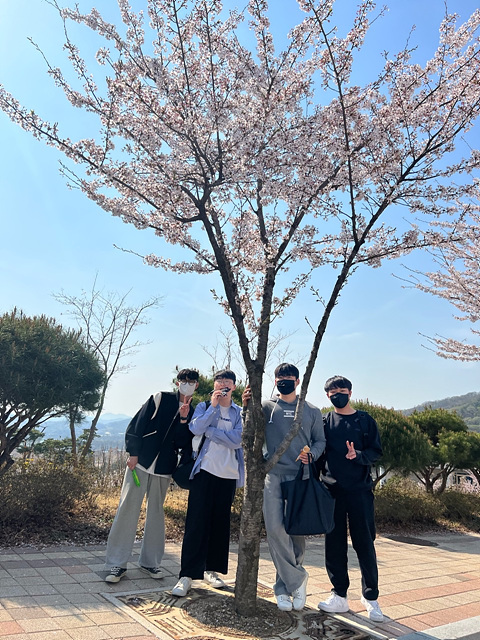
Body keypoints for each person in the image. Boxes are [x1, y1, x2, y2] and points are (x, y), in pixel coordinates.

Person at [243, 363, 325, 612]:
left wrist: (312, 455)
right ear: (275, 380)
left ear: (298, 382)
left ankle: (283, 588)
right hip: (273, 475)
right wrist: (246, 407)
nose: (284, 381)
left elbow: (320, 441)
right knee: (275, 529)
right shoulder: (267, 407)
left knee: (296, 532)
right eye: (280, 377)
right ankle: (298, 580)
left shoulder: (311, 410)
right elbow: (249, 431)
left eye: (289, 377)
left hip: (301, 477)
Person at [104, 368, 199, 583]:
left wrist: (184, 419)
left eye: (191, 381)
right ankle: (116, 564)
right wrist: (133, 453)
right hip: (140, 463)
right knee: (127, 509)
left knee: (156, 514)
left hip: (164, 468)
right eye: (184, 380)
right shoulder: (160, 399)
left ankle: (150, 562)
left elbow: (184, 443)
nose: (187, 384)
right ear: (177, 382)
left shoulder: (194, 412)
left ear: (197, 385)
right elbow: (137, 424)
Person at [171, 369, 244, 597]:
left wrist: (211, 432)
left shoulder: (239, 412)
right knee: (196, 523)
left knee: (220, 525)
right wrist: (213, 407)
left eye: (227, 381)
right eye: (219, 381)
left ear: (234, 386)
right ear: (214, 385)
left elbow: (237, 440)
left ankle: (212, 570)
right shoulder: (204, 407)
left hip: (228, 474)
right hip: (204, 472)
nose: (222, 384)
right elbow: (195, 428)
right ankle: (187, 575)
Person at [317, 375, 384, 623]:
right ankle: (339, 595)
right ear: (327, 396)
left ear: (350, 393)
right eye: (333, 392)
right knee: (334, 544)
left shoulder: (365, 421)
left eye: (342, 391)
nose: (338, 395)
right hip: (331, 491)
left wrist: (359, 456)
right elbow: (318, 454)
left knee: (364, 543)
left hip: (360, 491)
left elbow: (376, 451)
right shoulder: (324, 422)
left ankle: (371, 597)